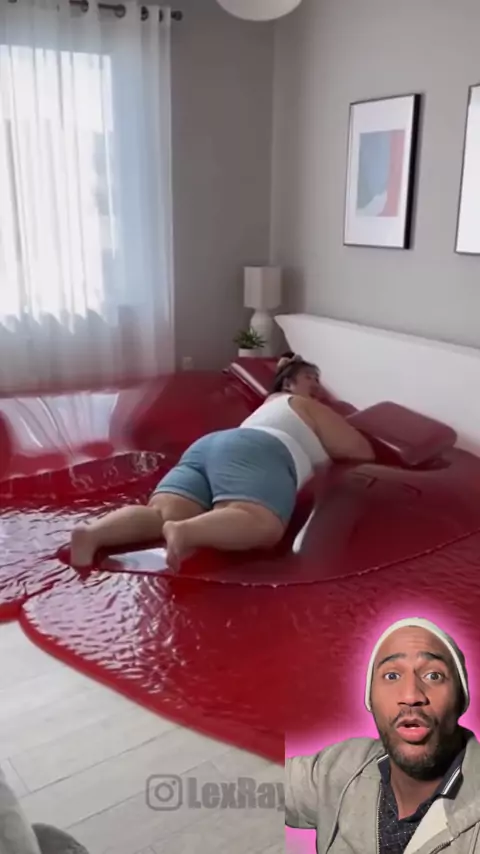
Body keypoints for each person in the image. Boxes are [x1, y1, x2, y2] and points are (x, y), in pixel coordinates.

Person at [70, 352, 374, 569]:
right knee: (259, 522)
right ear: (289, 384)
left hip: (210, 446)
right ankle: (185, 531)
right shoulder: (303, 404)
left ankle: (92, 534)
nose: (317, 385)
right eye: (310, 378)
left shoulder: (266, 406)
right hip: (259, 449)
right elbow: (360, 450)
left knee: (161, 513)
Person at [285, 617, 480, 854]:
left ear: (461, 699)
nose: (411, 696)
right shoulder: (341, 767)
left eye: (433, 675)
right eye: (392, 676)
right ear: (370, 700)